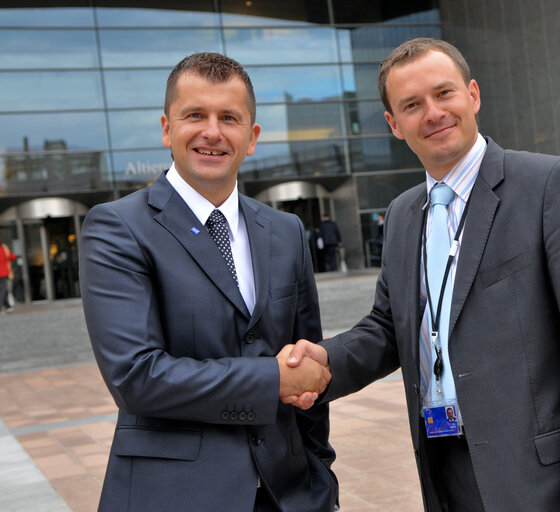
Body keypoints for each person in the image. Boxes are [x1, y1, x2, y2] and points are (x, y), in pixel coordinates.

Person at [284, 38, 560, 511]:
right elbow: (390, 328)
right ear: (394, 125)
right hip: (450, 476)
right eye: (412, 104)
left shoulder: (548, 186)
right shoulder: (404, 214)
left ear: (472, 95)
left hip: (553, 484)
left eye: (443, 93)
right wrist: (323, 361)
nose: (433, 113)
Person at [79, 52, 337, 512]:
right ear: (166, 129)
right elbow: (137, 377)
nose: (212, 132)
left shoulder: (286, 231)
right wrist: (271, 378)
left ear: (252, 136)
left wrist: (321, 479)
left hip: (289, 494)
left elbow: (306, 368)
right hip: (175, 495)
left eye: (229, 118)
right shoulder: (117, 227)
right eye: (195, 115)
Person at [0, 240, 16, 315]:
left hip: (3, 273)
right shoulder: (4, 249)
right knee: (4, 290)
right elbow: (12, 257)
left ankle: (8, 306)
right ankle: (3, 307)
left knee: (4, 290)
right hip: (3, 273)